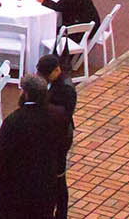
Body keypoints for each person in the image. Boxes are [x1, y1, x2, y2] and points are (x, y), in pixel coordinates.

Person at [0, 76, 69, 219]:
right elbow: (64, 143)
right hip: (46, 185)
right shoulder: (59, 115)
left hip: (16, 192)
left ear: (26, 94)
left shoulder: (14, 121)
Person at [38, 52, 78, 218]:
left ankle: (61, 213)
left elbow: (62, 117)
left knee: (58, 178)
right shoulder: (58, 84)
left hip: (60, 139)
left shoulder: (66, 90)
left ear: (56, 71)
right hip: (56, 136)